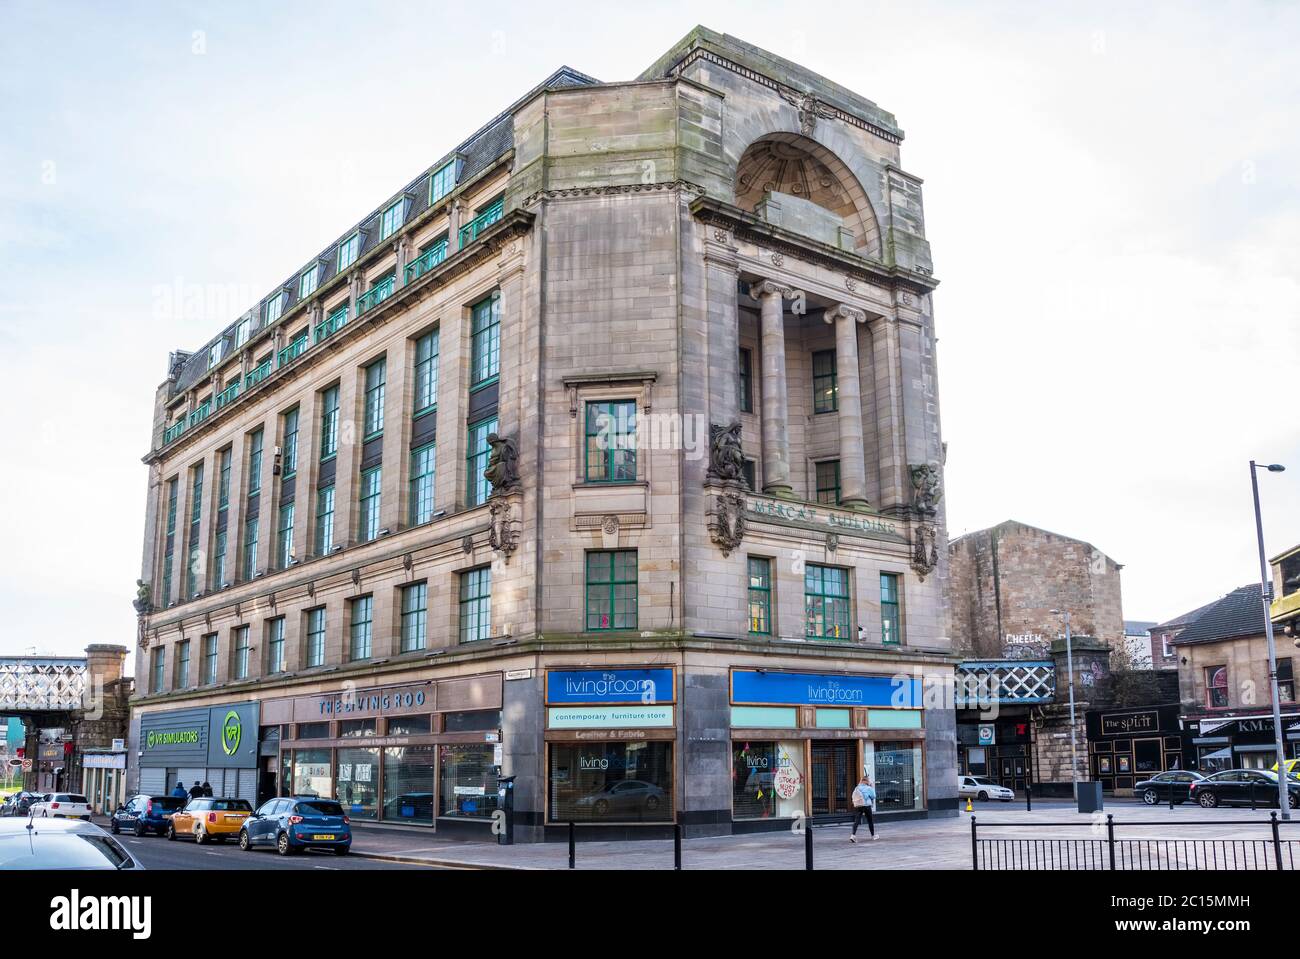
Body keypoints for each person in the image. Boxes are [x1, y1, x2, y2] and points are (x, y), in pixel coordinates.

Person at [849, 774, 877, 842]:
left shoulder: (857, 787)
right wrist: (871, 787)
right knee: (870, 821)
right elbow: (873, 796)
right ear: (866, 781)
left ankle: (853, 835)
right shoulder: (868, 788)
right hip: (867, 806)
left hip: (859, 805)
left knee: (857, 820)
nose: (869, 781)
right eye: (868, 780)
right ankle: (873, 836)